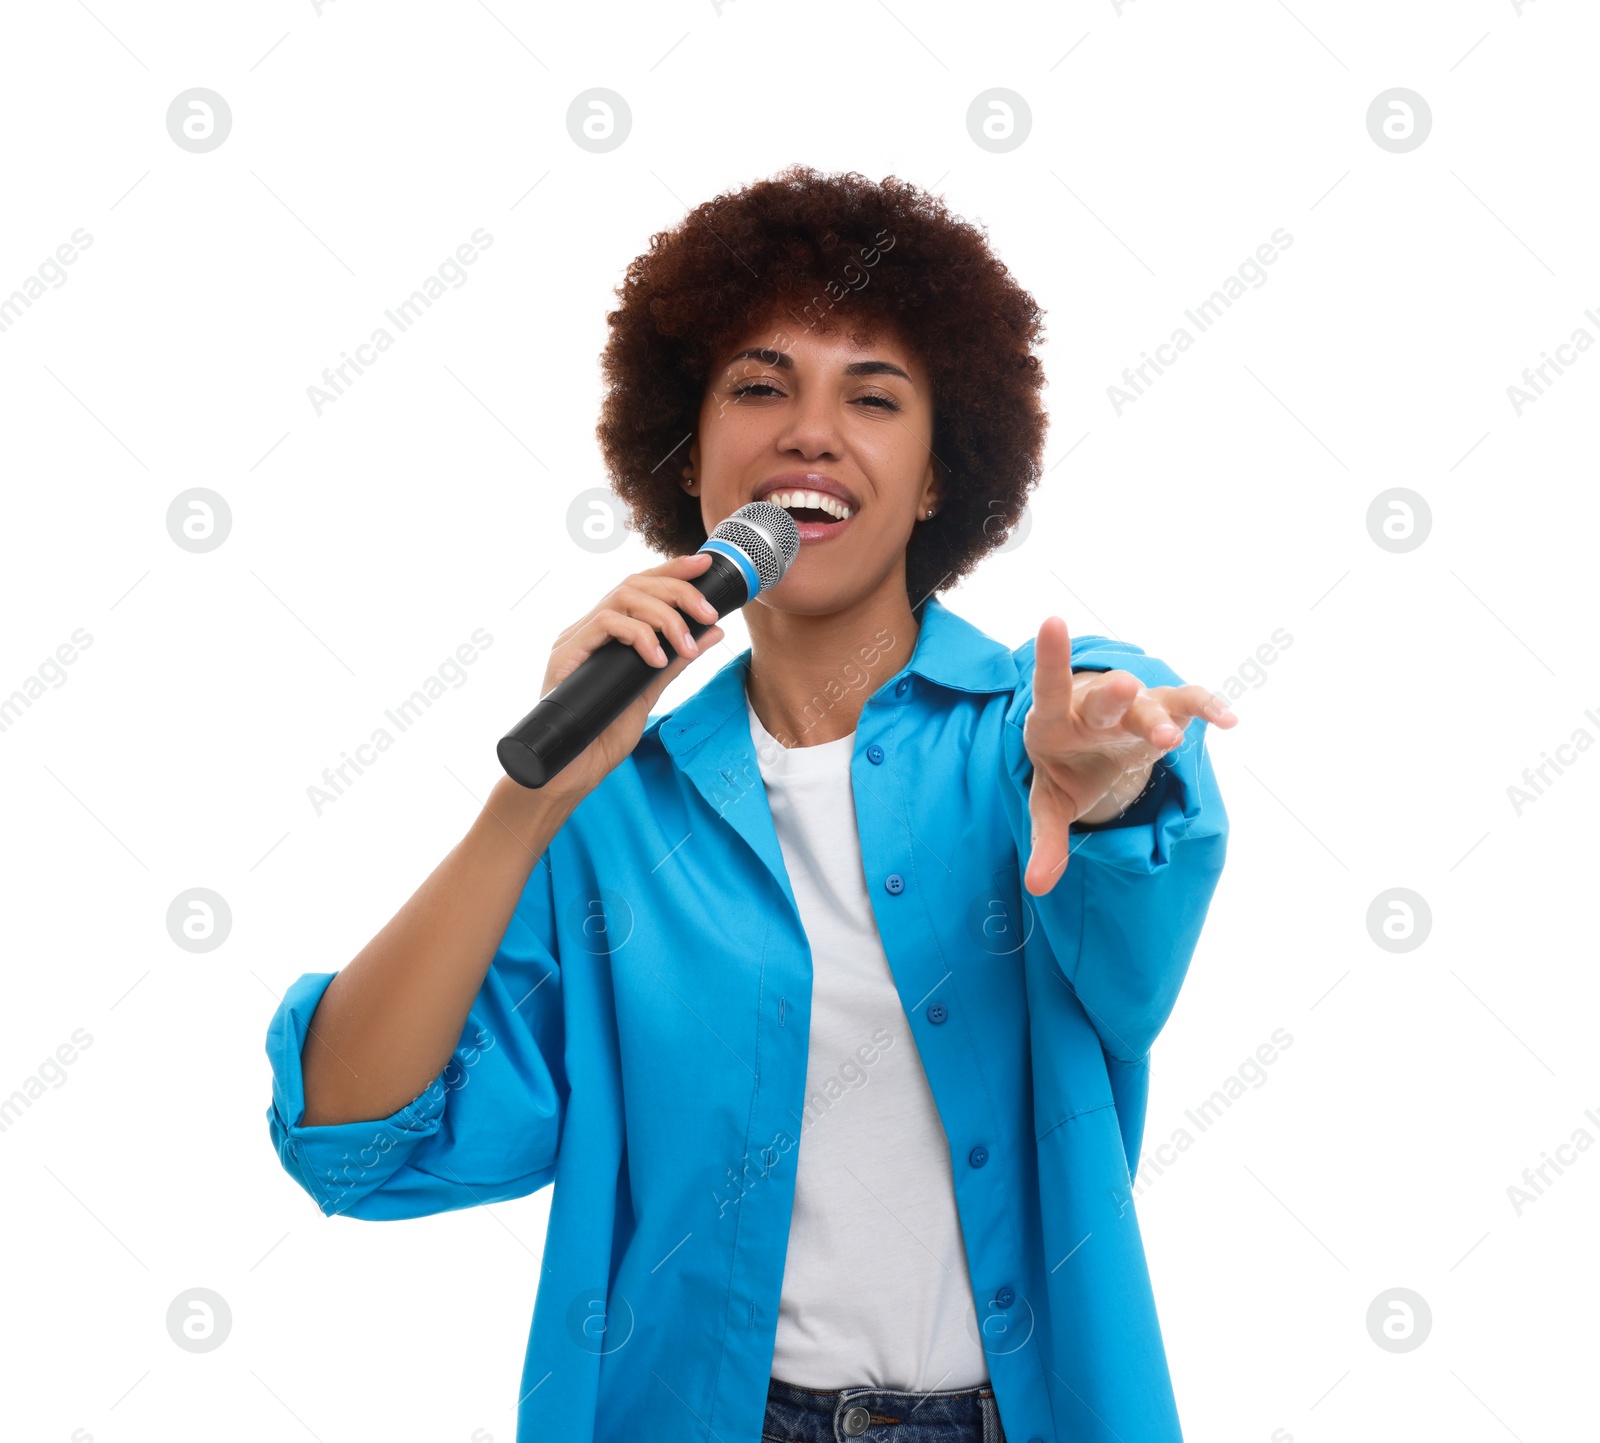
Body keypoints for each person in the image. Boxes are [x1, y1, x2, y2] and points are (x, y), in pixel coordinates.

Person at [264, 165, 1237, 1443]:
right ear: (693, 451)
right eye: (760, 387)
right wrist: (529, 806)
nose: (809, 432)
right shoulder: (611, 813)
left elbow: (1128, 918)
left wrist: (1102, 790)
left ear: (942, 476)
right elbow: (352, 1141)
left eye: (873, 397)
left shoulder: (1044, 730)